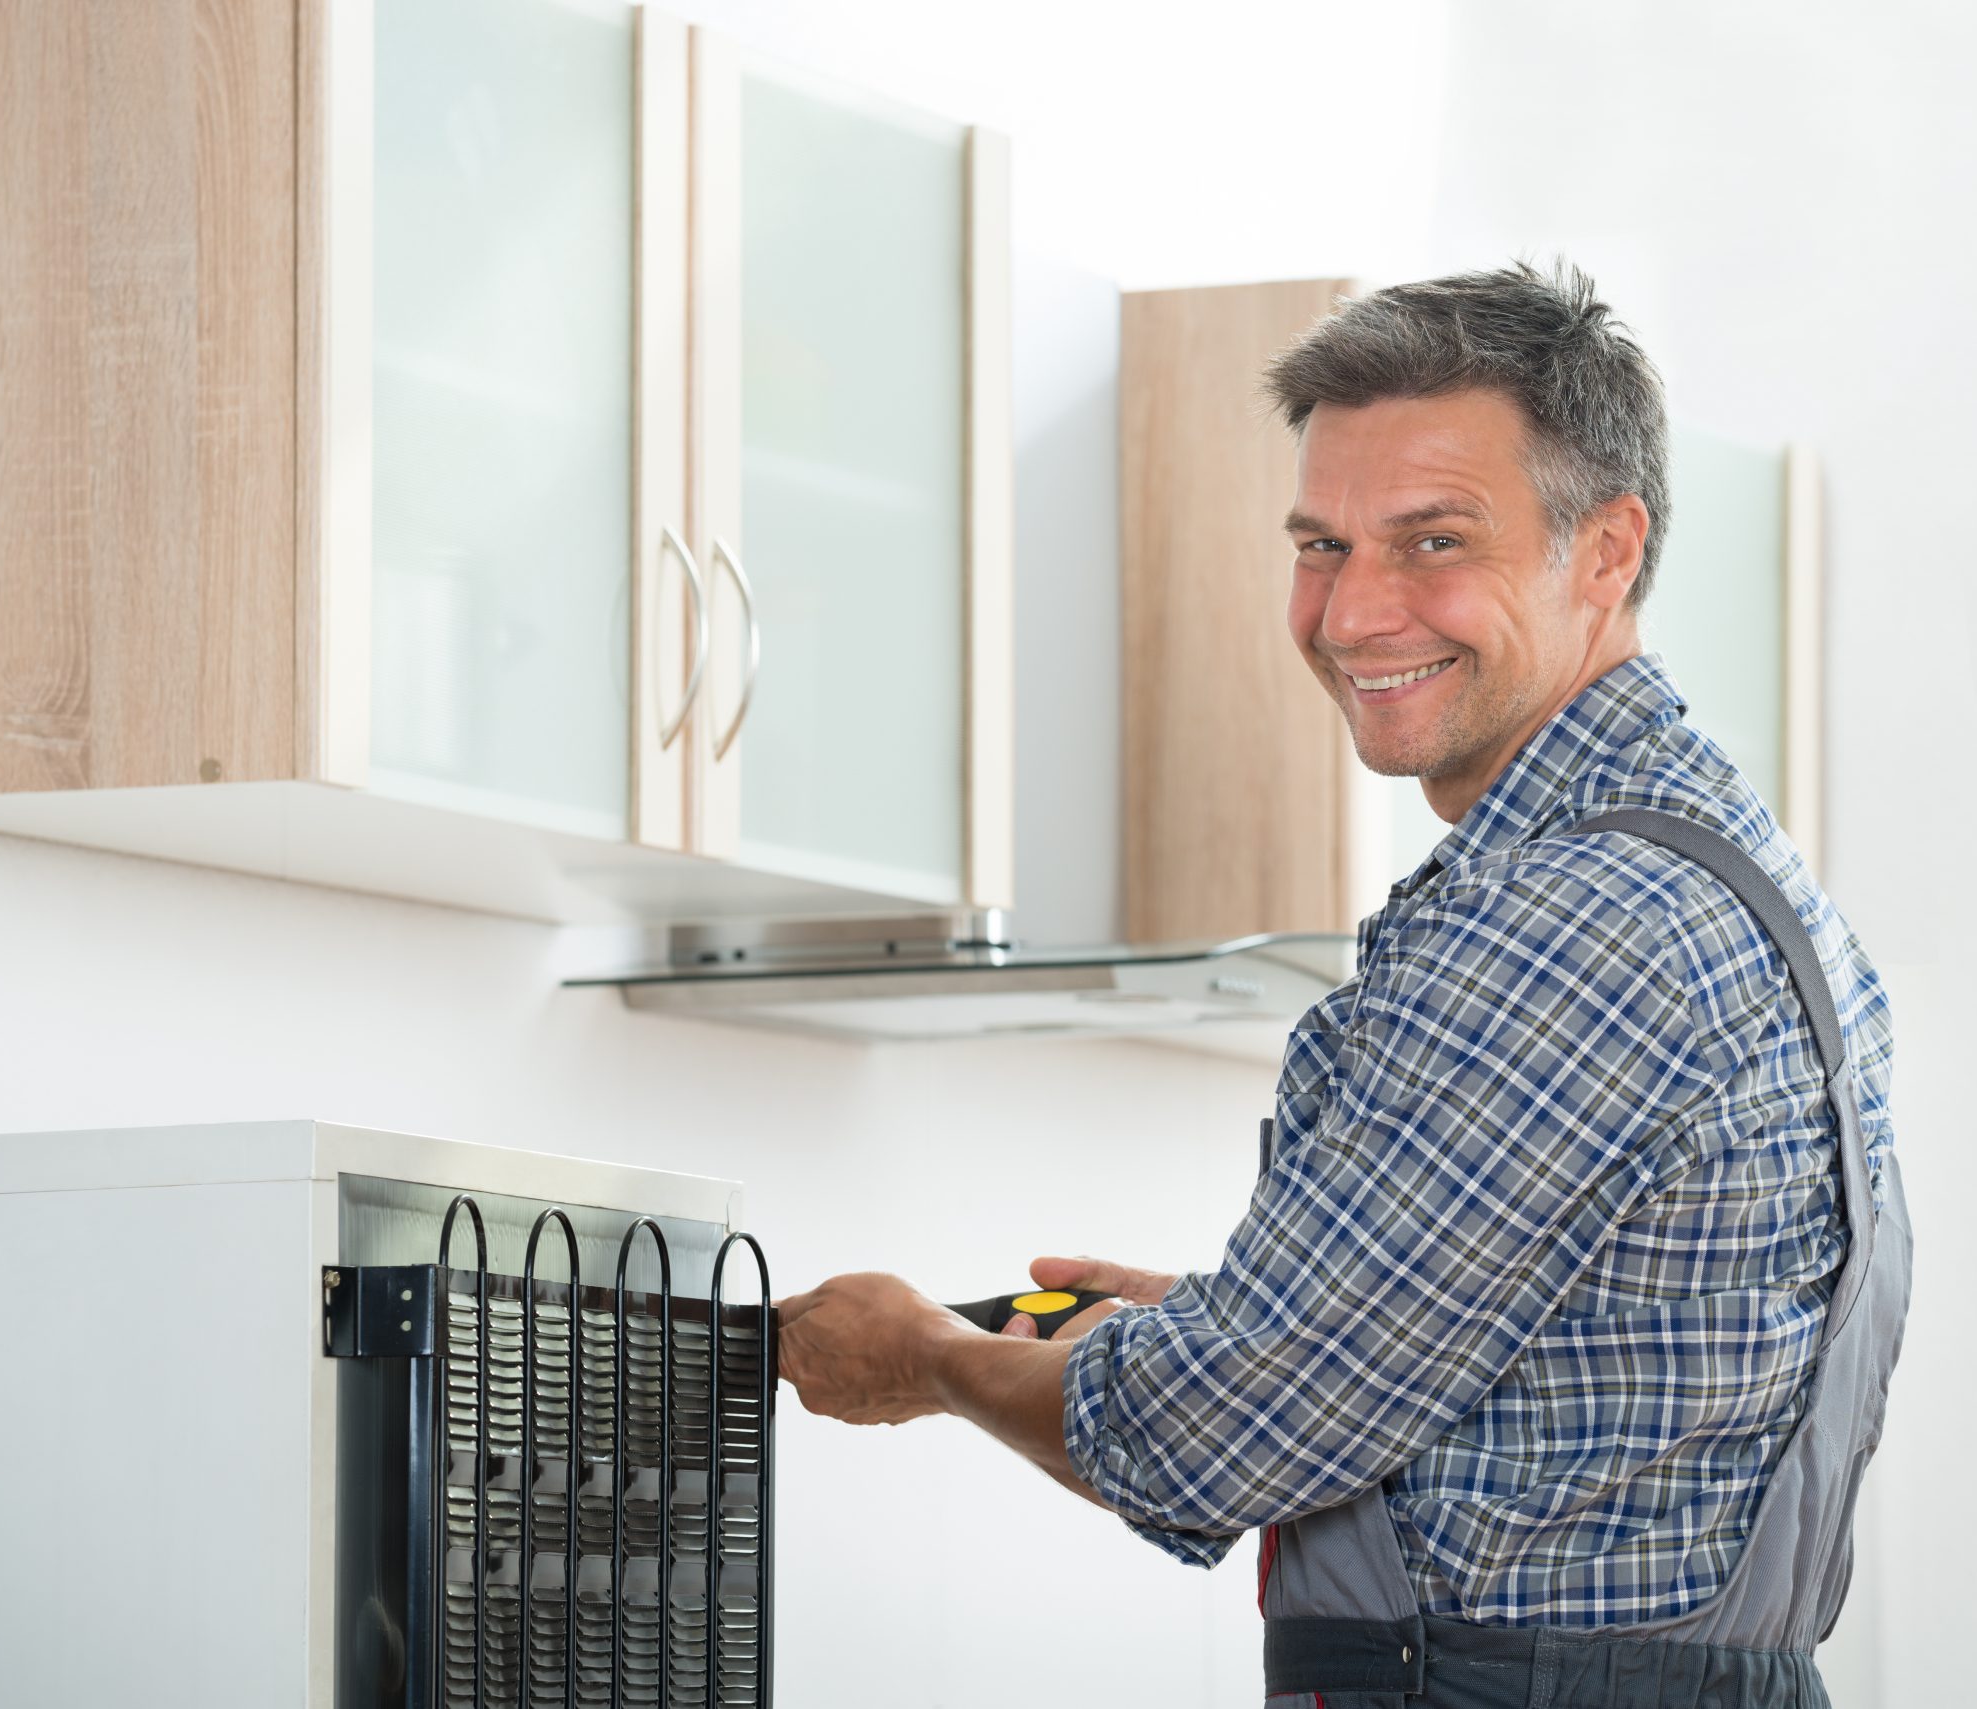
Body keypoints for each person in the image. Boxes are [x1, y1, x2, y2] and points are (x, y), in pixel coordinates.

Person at [774, 260, 1910, 1709]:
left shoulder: (1568, 923)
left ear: (1606, 552)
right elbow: (1596, 1384)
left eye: (1432, 541)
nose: (1353, 611)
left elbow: (1221, 1433)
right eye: (1320, 544)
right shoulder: (1726, 870)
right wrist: (1255, 1314)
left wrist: (931, 1359)